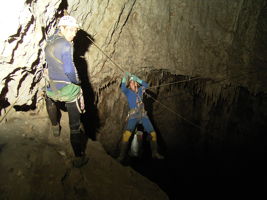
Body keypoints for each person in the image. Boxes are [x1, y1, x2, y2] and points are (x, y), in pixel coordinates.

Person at [44, 15, 88, 168]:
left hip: (52, 88)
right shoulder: (66, 45)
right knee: (75, 126)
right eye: (70, 30)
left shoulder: (49, 41)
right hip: (67, 90)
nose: (73, 33)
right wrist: (78, 83)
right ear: (62, 28)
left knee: (48, 97)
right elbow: (70, 71)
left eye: (75, 30)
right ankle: (78, 157)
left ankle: (55, 127)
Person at [117, 73, 164, 163]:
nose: (131, 83)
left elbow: (147, 85)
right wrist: (124, 77)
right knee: (127, 134)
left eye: (132, 82)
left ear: (136, 83)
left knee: (153, 133)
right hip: (133, 116)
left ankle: (155, 153)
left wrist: (138, 79)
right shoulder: (128, 91)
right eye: (130, 82)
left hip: (143, 115)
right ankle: (121, 156)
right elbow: (122, 88)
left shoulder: (140, 90)